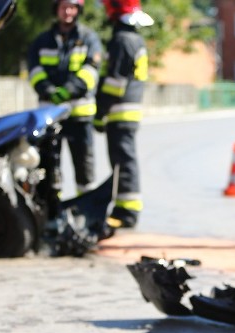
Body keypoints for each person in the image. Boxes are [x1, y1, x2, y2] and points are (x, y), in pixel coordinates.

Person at [28, 0, 102, 196]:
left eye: (72, 7)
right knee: (49, 166)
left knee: (84, 167)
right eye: (63, 7)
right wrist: (50, 91)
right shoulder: (42, 40)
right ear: (56, 9)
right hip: (50, 116)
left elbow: (91, 71)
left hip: (79, 115)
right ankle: (53, 211)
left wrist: (68, 91)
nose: (67, 11)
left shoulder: (89, 38)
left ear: (78, 9)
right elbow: (34, 71)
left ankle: (85, 208)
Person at [94, 0, 153, 229]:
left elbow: (114, 83)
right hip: (130, 110)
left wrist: (100, 113)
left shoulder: (121, 40)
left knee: (122, 162)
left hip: (120, 111)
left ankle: (126, 213)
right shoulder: (135, 38)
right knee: (125, 160)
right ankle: (123, 208)